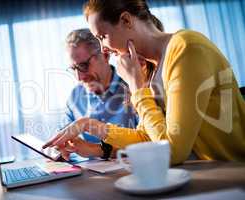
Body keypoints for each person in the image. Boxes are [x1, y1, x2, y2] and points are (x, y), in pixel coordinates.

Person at [44, 0, 245, 165]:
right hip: (204, 172)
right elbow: (147, 138)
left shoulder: (186, 48)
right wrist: (87, 125)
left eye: (102, 37)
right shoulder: (150, 67)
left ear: (126, 20)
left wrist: (137, 88)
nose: (104, 49)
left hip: (233, 170)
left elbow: (171, 151)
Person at [53, 28, 138, 160]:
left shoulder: (134, 87)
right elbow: (60, 136)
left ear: (105, 55)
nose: (79, 78)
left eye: (83, 66)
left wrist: (96, 149)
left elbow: (147, 143)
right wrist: (61, 147)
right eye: (73, 69)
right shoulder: (75, 97)